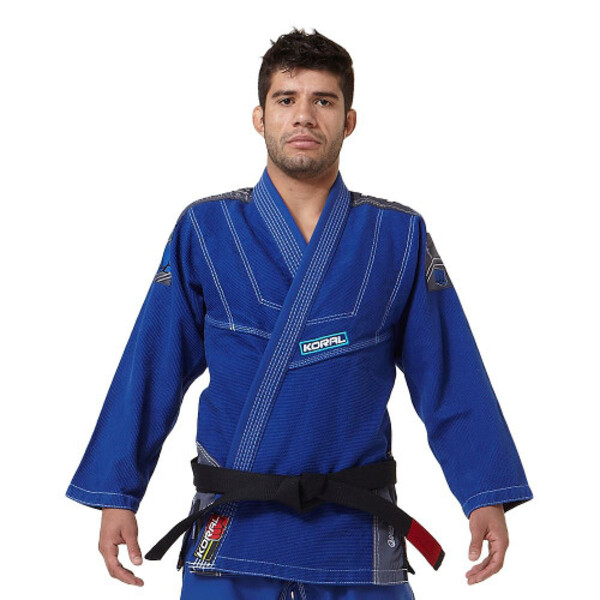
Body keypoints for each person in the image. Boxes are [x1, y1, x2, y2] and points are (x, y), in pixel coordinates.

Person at [66, 28, 533, 599]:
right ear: (260, 117)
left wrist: (484, 493)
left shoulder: (397, 236)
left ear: (349, 120)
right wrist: (117, 494)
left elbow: (450, 374)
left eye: (324, 101)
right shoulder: (206, 230)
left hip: (354, 535)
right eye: (286, 99)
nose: (304, 116)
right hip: (232, 531)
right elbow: (151, 364)